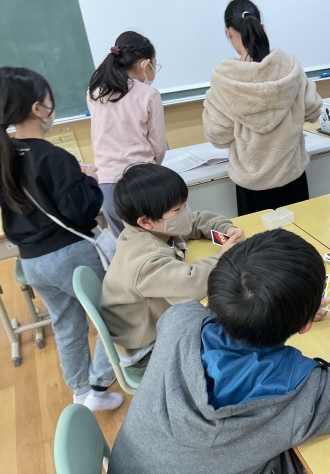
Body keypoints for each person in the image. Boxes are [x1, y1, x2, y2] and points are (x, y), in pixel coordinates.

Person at [107, 228, 330, 473]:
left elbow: (210, 316)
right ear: (307, 325)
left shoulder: (178, 318)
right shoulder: (304, 392)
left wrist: (277, 310)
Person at [0, 67, 122, 410]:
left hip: (32, 261)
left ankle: (81, 391)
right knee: (114, 312)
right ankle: (99, 382)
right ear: (39, 108)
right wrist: (90, 181)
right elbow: (81, 210)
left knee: (66, 324)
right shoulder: (54, 157)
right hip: (70, 256)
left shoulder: (7, 157)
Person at [101, 163, 243, 375]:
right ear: (146, 221)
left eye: (185, 204)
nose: (186, 212)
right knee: (231, 353)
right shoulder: (144, 260)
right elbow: (191, 284)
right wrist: (223, 256)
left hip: (155, 323)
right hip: (146, 351)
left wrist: (226, 229)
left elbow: (194, 221)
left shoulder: (152, 228)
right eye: (178, 210)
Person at [203, 0, 323, 216]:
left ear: (228, 32)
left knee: (258, 238)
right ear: (262, 27)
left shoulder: (225, 80)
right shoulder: (290, 67)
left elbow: (218, 135)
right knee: (299, 234)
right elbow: (313, 109)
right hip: (292, 176)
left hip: (251, 185)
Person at [87, 31, 166, 237]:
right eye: (154, 65)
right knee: (156, 242)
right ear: (145, 64)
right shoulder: (149, 94)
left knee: (126, 246)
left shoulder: (94, 92)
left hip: (107, 184)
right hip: (141, 182)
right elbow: (158, 147)